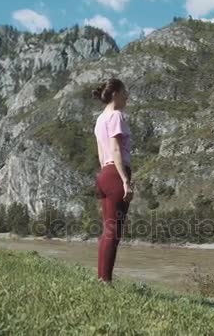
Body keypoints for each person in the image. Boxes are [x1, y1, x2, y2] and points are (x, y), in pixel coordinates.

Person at [92, 78, 133, 284]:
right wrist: (125, 180)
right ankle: (105, 280)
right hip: (116, 173)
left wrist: (106, 176)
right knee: (113, 231)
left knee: (108, 229)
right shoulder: (116, 115)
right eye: (125, 91)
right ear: (115, 93)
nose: (127, 95)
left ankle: (102, 278)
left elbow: (102, 154)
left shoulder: (100, 120)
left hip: (104, 174)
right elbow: (116, 149)